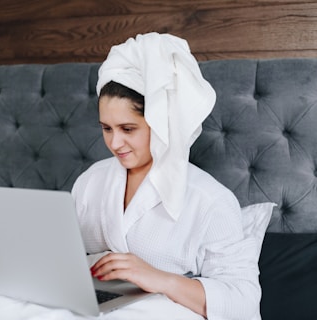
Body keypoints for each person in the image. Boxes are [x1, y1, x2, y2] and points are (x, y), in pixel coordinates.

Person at [72, 32, 261, 320]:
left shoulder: (210, 201)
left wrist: (159, 278)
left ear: (162, 123)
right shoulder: (92, 181)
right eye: (106, 128)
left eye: (128, 129)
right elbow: (66, 251)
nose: (114, 144)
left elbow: (243, 304)